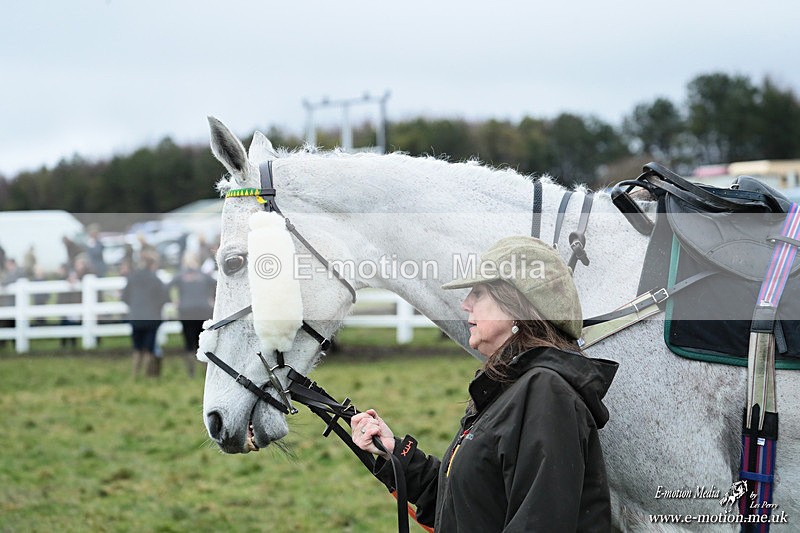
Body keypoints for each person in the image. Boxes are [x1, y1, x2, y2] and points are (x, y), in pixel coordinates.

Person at [350, 236, 618, 532]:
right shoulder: (512, 389)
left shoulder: (546, 395)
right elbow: (466, 508)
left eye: (478, 293)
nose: (465, 305)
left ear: (516, 306)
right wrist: (395, 453)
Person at [122, 250, 169, 378]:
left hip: (136, 317)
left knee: (137, 348)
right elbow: (164, 298)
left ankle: (134, 375)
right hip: (151, 317)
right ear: (152, 264)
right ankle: (145, 375)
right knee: (149, 348)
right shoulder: (155, 279)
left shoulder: (132, 278)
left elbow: (124, 297)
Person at [168, 254, 215, 377]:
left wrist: (174, 301)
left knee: (189, 343)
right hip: (203, 310)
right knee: (203, 341)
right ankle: (207, 372)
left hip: (186, 311)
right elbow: (217, 284)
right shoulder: (203, 274)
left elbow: (167, 287)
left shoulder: (180, 275)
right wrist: (212, 299)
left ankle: (191, 373)